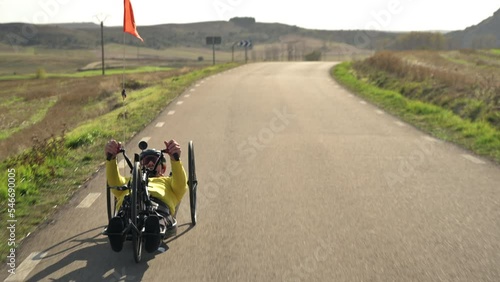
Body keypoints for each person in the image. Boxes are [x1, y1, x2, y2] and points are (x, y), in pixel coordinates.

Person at [104, 139, 187, 253]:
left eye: (154, 160)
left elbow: (181, 185)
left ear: (163, 169)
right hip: (130, 204)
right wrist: (111, 158)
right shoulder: (130, 180)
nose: (150, 163)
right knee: (124, 213)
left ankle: (153, 233)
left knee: (158, 218)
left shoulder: (168, 182)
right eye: (146, 160)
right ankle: (118, 228)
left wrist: (175, 159)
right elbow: (113, 183)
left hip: (158, 207)